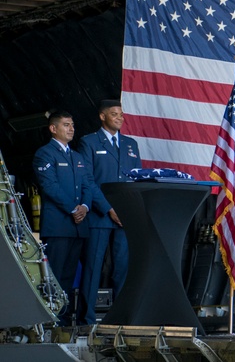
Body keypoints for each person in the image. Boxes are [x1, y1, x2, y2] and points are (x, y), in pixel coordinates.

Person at [77, 99, 143, 324]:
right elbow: (87, 180)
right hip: (100, 215)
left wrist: (128, 210)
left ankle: (120, 317)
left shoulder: (131, 144)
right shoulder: (89, 142)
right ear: (102, 116)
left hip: (124, 217)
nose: (120, 118)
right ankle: (86, 319)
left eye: (122, 114)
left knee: (123, 268)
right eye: (114, 114)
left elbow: (136, 179)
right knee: (93, 268)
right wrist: (108, 208)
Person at [32, 110, 92, 326]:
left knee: (68, 277)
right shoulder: (45, 153)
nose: (71, 128)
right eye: (66, 124)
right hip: (58, 226)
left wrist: (84, 206)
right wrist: (73, 209)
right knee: (55, 276)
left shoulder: (77, 156)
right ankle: (50, 319)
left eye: (72, 124)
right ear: (53, 128)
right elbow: (50, 186)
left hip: (77, 227)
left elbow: (87, 185)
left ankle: (64, 318)